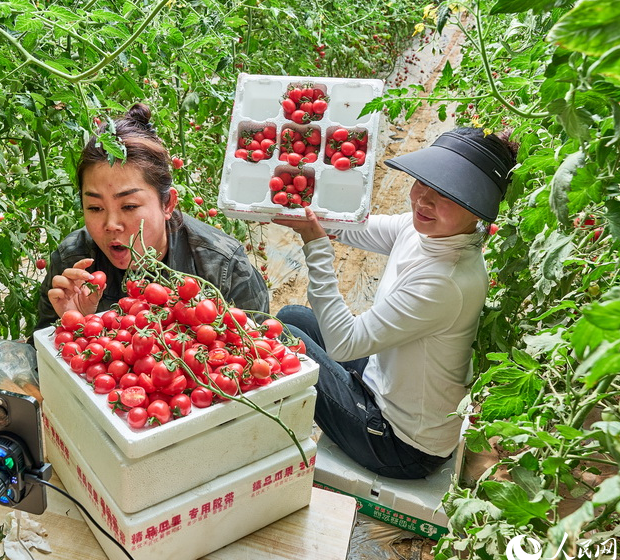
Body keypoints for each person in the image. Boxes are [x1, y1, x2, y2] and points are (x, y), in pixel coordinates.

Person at [274, 127, 518, 480]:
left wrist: (316, 247)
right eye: (423, 183)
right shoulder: (428, 231)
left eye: (446, 195)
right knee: (292, 317)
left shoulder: (445, 280)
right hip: (384, 381)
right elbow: (355, 228)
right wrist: (307, 210)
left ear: (476, 209)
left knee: (281, 337)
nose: (423, 200)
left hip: (401, 444)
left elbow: (345, 344)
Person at [36, 103, 269, 330]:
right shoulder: (73, 263)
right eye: (95, 208)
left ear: (167, 204)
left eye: (128, 206)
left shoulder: (221, 267)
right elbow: (42, 355)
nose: (111, 225)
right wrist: (77, 325)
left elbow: (261, 353)